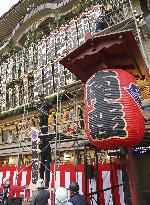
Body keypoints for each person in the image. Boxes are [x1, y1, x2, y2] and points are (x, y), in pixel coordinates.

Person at [38, 94, 52, 187]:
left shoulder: (46, 103)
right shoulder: (41, 105)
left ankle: (46, 183)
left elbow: (50, 105)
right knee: (42, 168)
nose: (40, 99)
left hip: (45, 149)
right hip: (43, 149)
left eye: (41, 97)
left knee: (45, 167)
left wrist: (46, 100)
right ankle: (42, 182)